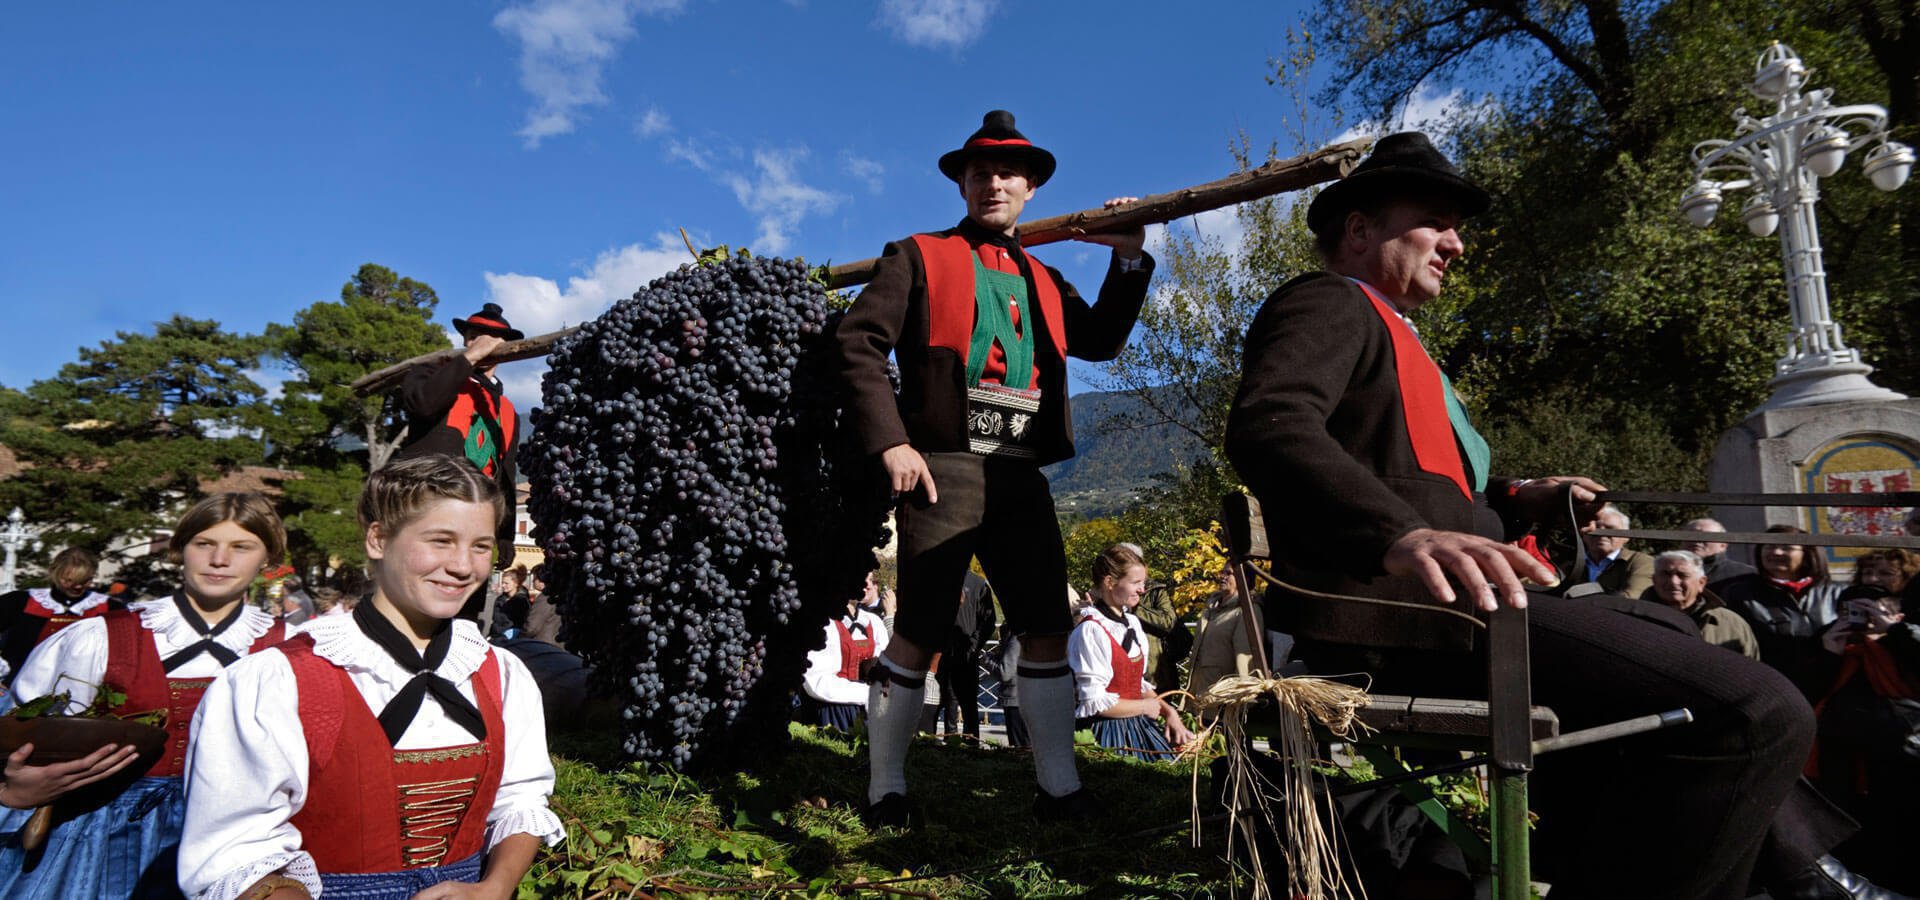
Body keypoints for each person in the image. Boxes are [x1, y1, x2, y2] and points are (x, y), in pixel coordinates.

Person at [1223, 132, 1876, 899]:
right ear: (1360, 229)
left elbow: (1434, 487)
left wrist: (1520, 497)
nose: (1457, 244)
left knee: (1679, 640)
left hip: (1461, 605)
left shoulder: (1398, 335)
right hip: (1413, 615)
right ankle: (1801, 880)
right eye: (1436, 221)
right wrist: (1399, 535)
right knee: (1759, 709)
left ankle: (1792, 876)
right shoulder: (1329, 300)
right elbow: (1272, 425)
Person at [833, 109, 1152, 825]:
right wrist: (892, 440)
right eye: (980, 172)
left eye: (1008, 172)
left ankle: (1059, 788)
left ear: (1031, 187)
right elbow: (857, 341)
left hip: (1020, 475)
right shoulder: (916, 254)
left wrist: (1127, 254)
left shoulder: (1044, 275)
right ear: (964, 184)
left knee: (1044, 628)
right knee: (917, 628)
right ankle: (886, 788)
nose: (993, 183)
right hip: (943, 465)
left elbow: (1098, 341)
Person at [178, 455, 563, 899]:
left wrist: (494, 887)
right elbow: (233, 852)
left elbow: (519, 798)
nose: (463, 566)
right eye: (441, 540)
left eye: (480, 546)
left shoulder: (500, 673)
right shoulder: (276, 680)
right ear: (378, 539)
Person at [0, 493, 293, 899]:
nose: (219, 560)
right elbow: (20, 733)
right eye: (204, 543)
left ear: (267, 559)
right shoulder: (99, 638)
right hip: (96, 840)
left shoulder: (290, 652)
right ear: (179, 550)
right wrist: (17, 787)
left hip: (233, 848)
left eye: (241, 547)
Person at [396, 301, 525, 622]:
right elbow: (422, 404)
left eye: (493, 338)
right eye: (475, 336)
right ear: (466, 340)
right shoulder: (429, 374)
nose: (483, 342)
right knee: (412, 607)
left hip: (476, 525)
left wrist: (505, 533)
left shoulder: (508, 410)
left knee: (464, 615)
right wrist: (469, 359)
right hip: (426, 512)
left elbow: (505, 473)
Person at [1805, 583, 1920, 894]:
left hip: (1901, 771)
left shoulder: (1905, 645)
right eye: (1851, 612)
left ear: (1898, 615)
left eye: (1873, 611)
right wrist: (1828, 654)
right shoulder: (1827, 646)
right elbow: (1803, 698)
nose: (1862, 620)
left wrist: (1894, 634)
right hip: (1840, 774)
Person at [1068, 545, 1195, 761]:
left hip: (1136, 724)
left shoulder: (1133, 623)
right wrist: (1145, 706)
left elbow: (1136, 685)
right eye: (1135, 583)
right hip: (1105, 733)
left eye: (1143, 583)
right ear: (1110, 582)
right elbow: (1094, 701)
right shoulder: (1091, 630)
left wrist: (1169, 712)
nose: (1142, 590)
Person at [1719, 525, 1845, 687]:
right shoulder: (1739, 594)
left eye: (1786, 548)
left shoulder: (1837, 592)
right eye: (1769, 546)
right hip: (1771, 684)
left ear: (1807, 553)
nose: (1776, 552)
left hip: (1834, 683)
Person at [0, 547, 116, 684]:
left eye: (85, 581)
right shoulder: (19, 602)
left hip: (80, 692)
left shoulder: (109, 609)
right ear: (54, 572)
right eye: (69, 580)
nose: (77, 586)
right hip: (14, 688)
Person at [800, 576, 891, 732]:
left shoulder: (873, 621)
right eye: (860, 576)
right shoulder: (824, 623)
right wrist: (867, 692)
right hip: (834, 712)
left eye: (869, 579)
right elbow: (817, 682)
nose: (866, 584)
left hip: (869, 709)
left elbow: (885, 664)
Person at [1642, 550, 1761, 659]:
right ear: (1654, 579)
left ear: (1701, 583)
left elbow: (1751, 668)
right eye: (1665, 574)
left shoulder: (1731, 623)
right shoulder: (1636, 617)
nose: (1673, 581)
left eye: (1683, 575)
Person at [935, 571, 997, 738]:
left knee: (969, 706)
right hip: (944, 656)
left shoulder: (978, 584)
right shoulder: (940, 579)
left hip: (968, 657)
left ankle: (971, 746)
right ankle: (950, 746)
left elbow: (989, 619)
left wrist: (973, 646)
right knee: (949, 704)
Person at [1563, 503, 1653, 598]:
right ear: (1584, 534)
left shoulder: (1641, 562)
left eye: (1610, 529)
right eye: (1596, 528)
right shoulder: (1569, 566)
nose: (1601, 533)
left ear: (1626, 536)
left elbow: (1630, 598)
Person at [1682, 517, 1757, 588]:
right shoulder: (1672, 571)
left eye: (1705, 535)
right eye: (1691, 535)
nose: (1696, 540)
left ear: (1723, 545)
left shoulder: (1745, 574)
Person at [522, 564, 564, 647]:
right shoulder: (560, 595)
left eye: (534, 578)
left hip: (542, 645)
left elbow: (532, 627)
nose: (533, 581)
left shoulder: (545, 598)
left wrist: (519, 637)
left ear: (541, 580)